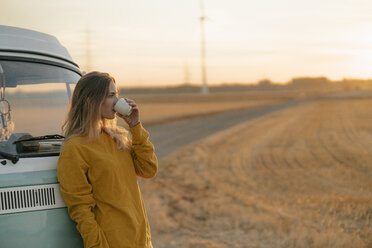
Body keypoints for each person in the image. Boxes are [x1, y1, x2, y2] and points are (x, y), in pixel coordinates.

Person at [57, 71, 158, 248]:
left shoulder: (118, 138)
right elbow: (80, 209)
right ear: (90, 100)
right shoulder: (75, 148)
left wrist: (135, 126)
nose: (118, 101)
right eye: (111, 95)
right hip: (112, 243)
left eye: (116, 94)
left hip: (141, 240)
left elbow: (149, 169)